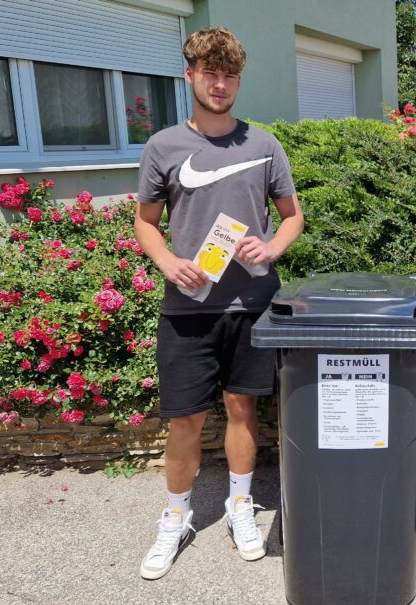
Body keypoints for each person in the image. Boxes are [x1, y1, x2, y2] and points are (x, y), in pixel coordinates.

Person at [134, 26, 304, 580]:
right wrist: (166, 262)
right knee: (183, 420)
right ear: (190, 76)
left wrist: (272, 244)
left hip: (252, 302)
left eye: (229, 75)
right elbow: (146, 223)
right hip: (188, 305)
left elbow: (292, 216)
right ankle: (176, 516)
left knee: (242, 409)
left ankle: (239, 508)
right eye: (210, 73)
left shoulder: (263, 144)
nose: (220, 84)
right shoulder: (163, 147)